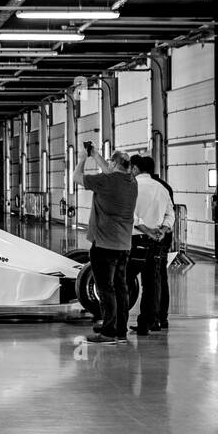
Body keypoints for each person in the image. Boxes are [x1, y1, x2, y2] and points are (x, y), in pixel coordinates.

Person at [79, 144, 138, 345]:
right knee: (121, 288)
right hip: (123, 246)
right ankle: (121, 330)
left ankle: (108, 331)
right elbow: (110, 173)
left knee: (105, 288)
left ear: (114, 163)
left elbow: (77, 179)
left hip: (104, 245)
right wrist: (96, 155)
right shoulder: (131, 181)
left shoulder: (108, 181)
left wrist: (82, 159)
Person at [130, 155, 175, 334]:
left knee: (124, 280)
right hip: (156, 241)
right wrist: (162, 230)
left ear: (135, 169)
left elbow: (129, 214)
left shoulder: (131, 186)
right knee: (152, 283)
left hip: (135, 240)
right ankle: (147, 323)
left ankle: (116, 323)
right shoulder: (162, 188)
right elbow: (170, 213)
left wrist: (146, 228)